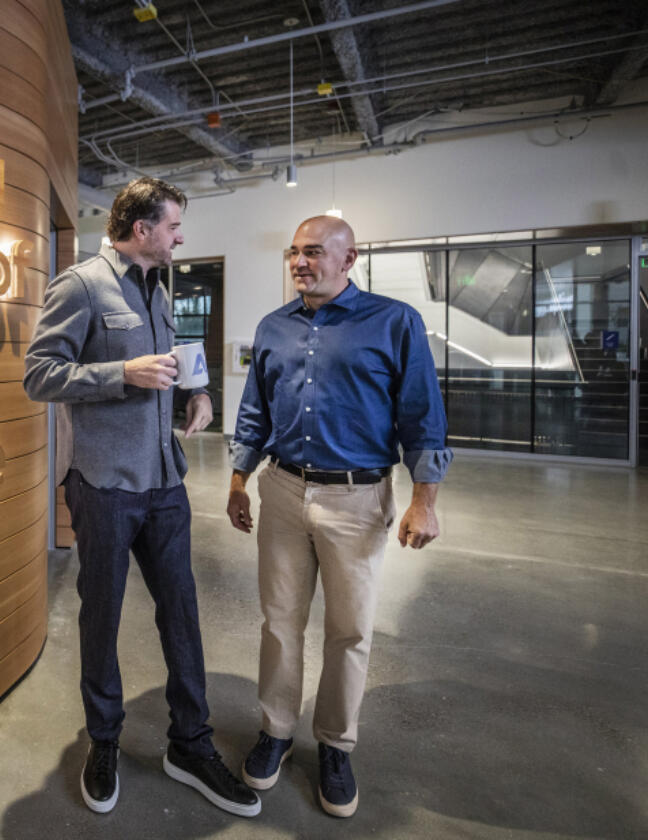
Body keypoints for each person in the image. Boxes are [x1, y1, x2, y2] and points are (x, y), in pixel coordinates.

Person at [24, 177, 260, 818]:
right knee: (100, 618)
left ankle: (191, 743)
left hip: (165, 484)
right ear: (140, 228)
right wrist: (117, 374)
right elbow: (39, 375)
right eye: (174, 225)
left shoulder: (159, 285)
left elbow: (172, 359)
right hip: (104, 488)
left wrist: (196, 394)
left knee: (181, 614)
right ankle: (103, 742)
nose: (181, 237)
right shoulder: (79, 286)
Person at [226, 215, 451, 819]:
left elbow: (422, 416)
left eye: (316, 252)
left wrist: (424, 501)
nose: (301, 262)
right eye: (295, 252)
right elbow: (254, 411)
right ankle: (276, 731)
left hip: (358, 499)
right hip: (281, 491)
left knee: (349, 631)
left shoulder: (393, 322)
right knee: (279, 622)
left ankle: (334, 745)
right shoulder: (273, 327)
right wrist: (239, 481)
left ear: (350, 259)